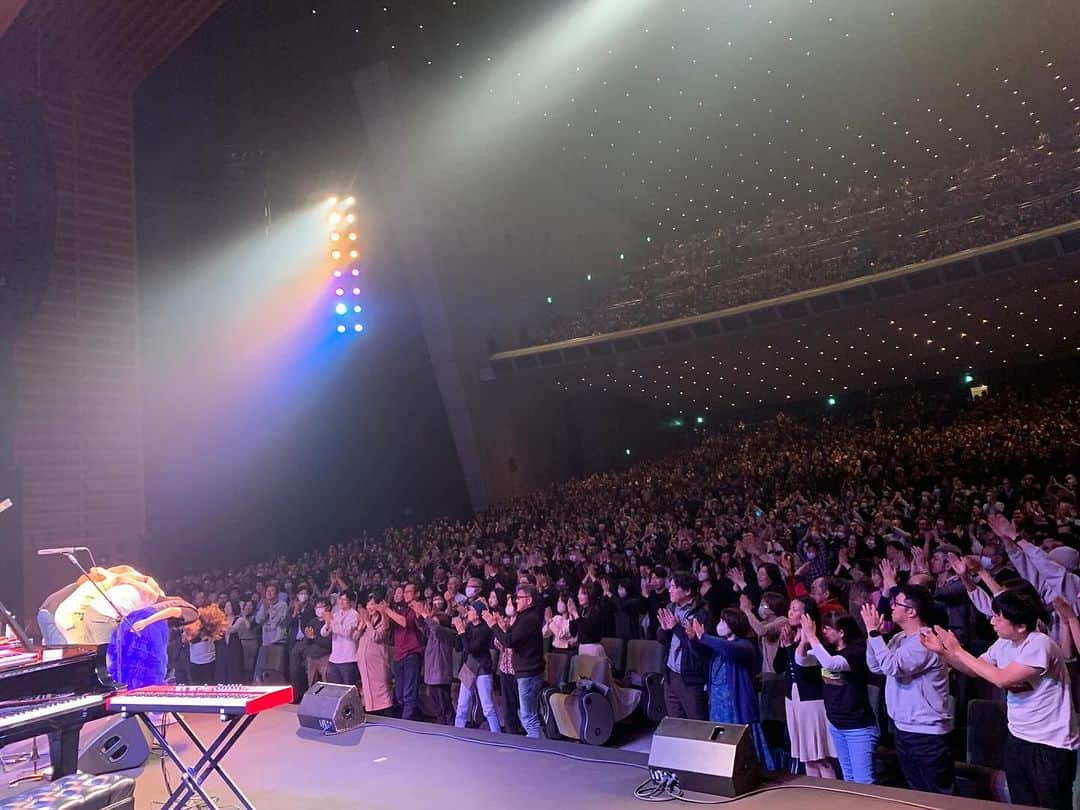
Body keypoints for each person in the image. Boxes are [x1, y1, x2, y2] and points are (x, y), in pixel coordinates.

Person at [923, 591, 1079, 810]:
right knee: (1021, 803)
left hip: (1050, 744)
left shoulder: (1039, 644)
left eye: (998, 617)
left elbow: (1001, 679)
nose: (992, 621)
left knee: (1051, 804)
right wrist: (944, 652)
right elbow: (974, 668)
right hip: (1018, 737)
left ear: (1021, 626)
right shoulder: (1004, 643)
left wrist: (958, 649)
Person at [861, 584, 954, 794]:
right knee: (916, 792)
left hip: (926, 732)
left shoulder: (925, 640)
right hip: (904, 728)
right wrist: (872, 636)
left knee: (938, 795)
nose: (891, 607)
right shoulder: (899, 638)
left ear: (911, 611)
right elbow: (876, 666)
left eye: (897, 603)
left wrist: (873, 631)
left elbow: (893, 666)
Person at [686, 608, 776, 770]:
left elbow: (730, 650)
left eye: (722, 621)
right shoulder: (718, 645)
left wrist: (704, 637)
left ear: (733, 625)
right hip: (718, 707)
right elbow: (700, 652)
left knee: (743, 745)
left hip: (737, 708)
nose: (718, 625)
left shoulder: (745, 645)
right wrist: (694, 639)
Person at [801, 612, 878, 784]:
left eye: (828, 629)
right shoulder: (828, 651)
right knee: (848, 778)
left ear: (841, 632)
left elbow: (832, 664)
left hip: (858, 727)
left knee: (863, 781)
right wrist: (804, 640)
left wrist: (812, 636)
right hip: (837, 724)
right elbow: (801, 661)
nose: (824, 632)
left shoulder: (856, 651)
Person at [774, 596, 836, 778]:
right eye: (790, 608)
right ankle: (815, 797)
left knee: (819, 756)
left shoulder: (814, 640)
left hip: (812, 701)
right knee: (807, 756)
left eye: (795, 609)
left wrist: (792, 646)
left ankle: (831, 797)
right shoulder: (792, 637)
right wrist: (784, 645)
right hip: (793, 700)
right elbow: (778, 667)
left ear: (806, 614)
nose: (790, 613)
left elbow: (803, 670)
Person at [487, 583, 544, 738]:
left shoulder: (529, 619)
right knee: (527, 716)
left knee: (528, 718)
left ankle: (537, 752)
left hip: (528, 673)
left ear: (530, 600)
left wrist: (493, 625)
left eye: (519, 598)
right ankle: (541, 747)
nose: (516, 601)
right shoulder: (524, 617)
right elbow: (510, 637)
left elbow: (509, 641)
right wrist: (503, 627)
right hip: (524, 672)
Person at [656, 571, 710, 721]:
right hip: (671, 673)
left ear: (687, 591)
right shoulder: (671, 607)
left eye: (673, 587)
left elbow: (699, 648)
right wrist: (664, 630)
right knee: (676, 723)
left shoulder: (702, 613)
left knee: (696, 722)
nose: (669, 590)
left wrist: (675, 628)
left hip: (690, 676)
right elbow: (663, 640)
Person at [378, 581, 425, 721]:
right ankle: (416, 718)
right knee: (399, 694)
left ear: (417, 593)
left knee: (409, 692)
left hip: (412, 653)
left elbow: (404, 622)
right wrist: (383, 613)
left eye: (409, 591)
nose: (405, 594)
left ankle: (406, 723)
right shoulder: (400, 609)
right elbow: (387, 627)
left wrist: (387, 610)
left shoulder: (417, 607)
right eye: (404, 592)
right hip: (398, 654)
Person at [454, 600, 501, 733]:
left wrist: (462, 633)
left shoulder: (485, 630)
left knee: (487, 706)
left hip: (482, 668)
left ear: (478, 613)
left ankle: (496, 734)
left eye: (471, 610)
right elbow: (458, 647)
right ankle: (458, 731)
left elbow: (471, 649)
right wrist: (460, 631)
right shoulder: (469, 627)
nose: (468, 613)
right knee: (462, 704)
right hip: (468, 667)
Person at [355, 587, 393, 714]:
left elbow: (377, 637)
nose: (370, 607)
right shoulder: (365, 620)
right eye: (368, 604)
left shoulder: (384, 620)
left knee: (381, 691)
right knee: (367, 690)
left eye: (373, 604)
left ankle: (387, 717)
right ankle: (371, 715)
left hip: (378, 663)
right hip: (364, 664)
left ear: (379, 605)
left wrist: (368, 623)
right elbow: (354, 637)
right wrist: (362, 624)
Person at [321, 590, 360, 686]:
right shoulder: (336, 614)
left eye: (344, 599)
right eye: (340, 599)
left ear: (350, 602)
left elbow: (346, 632)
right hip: (335, 657)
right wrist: (327, 624)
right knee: (336, 688)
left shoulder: (354, 615)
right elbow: (323, 633)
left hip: (348, 658)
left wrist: (331, 621)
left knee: (348, 687)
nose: (341, 602)